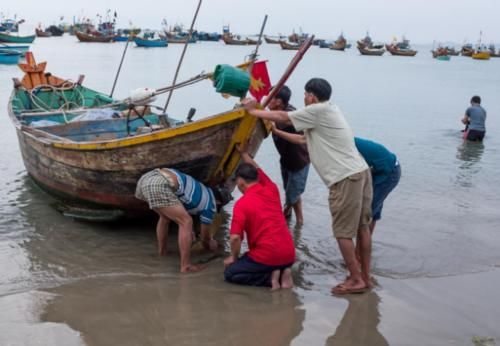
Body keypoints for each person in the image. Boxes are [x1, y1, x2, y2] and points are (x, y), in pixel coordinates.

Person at [243, 78, 373, 295]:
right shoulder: (330, 110)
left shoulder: (317, 110)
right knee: (361, 228)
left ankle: (356, 279)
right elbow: (304, 140)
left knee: (342, 232)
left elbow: (284, 116)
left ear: (312, 96)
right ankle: (365, 277)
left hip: (344, 178)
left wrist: (253, 112)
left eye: (305, 94)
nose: (303, 98)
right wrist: (277, 132)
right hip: (360, 172)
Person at [223, 144, 295, 291]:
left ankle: (272, 278)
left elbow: (235, 238)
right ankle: (284, 270)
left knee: (230, 273)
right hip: (289, 254)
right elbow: (257, 168)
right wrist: (244, 154)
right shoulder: (272, 188)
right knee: (261, 257)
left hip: (267, 256)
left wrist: (233, 258)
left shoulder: (242, 204)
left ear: (241, 183)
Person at [135, 168, 232, 273]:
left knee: (165, 217)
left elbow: (180, 207)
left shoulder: (202, 189)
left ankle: (162, 252)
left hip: (146, 179)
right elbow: (205, 238)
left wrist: (190, 232)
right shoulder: (211, 205)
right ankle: (186, 266)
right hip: (160, 183)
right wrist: (211, 242)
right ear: (218, 201)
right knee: (187, 222)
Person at [268, 85, 310, 224]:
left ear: (279, 102)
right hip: (286, 159)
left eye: (271, 97)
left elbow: (280, 120)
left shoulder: (289, 115)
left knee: (292, 195)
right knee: (291, 192)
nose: (267, 100)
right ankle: (299, 222)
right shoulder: (276, 113)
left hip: (299, 161)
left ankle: (283, 219)